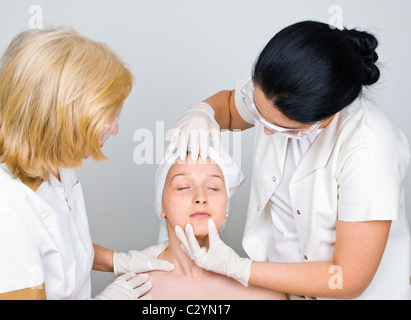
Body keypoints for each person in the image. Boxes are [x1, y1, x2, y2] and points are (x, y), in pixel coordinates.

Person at [168, 21, 411, 299]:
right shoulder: (275, 90)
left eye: (283, 128)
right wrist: (204, 112)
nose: (266, 130)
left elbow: (347, 278)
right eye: (258, 113)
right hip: (280, 289)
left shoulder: (370, 150)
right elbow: (232, 108)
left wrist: (238, 268)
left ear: (321, 114)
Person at [0, 28, 173, 300]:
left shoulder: (53, 164)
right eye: (108, 117)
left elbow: (58, 249)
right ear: (65, 114)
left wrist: (117, 261)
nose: (116, 130)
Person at [148, 147, 285, 299]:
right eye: (183, 187)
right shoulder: (134, 286)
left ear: (226, 206)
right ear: (162, 206)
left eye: (213, 187)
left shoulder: (263, 294)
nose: (200, 197)